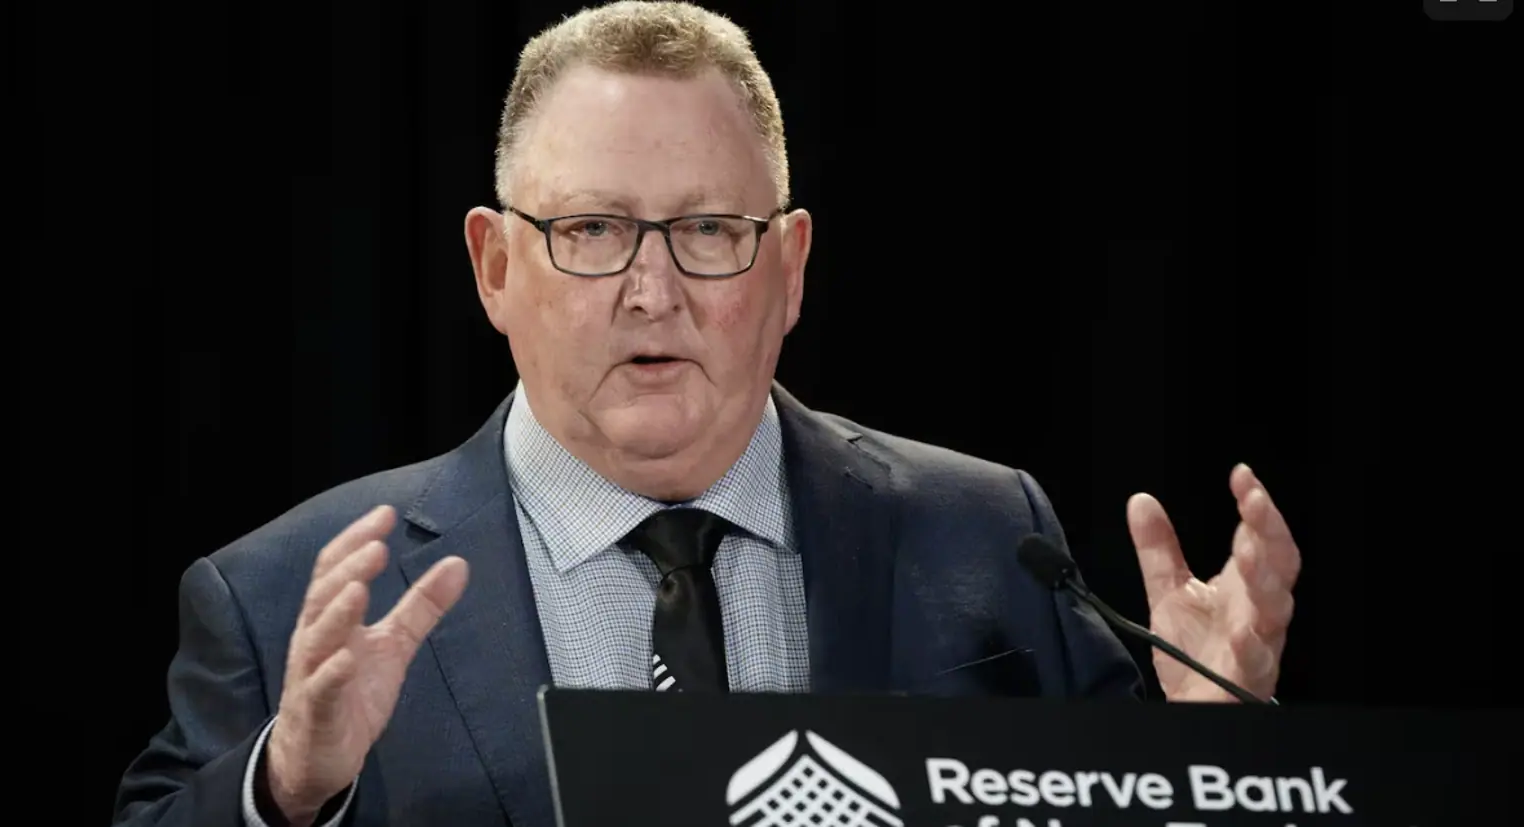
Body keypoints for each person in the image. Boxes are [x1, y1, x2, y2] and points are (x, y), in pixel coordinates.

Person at [112, 2, 1302, 826]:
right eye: (590, 229)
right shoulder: (284, 594)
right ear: (493, 267)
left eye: (708, 229)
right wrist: (288, 786)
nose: (652, 288)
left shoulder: (990, 536)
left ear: (789, 267)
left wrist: (1211, 766)